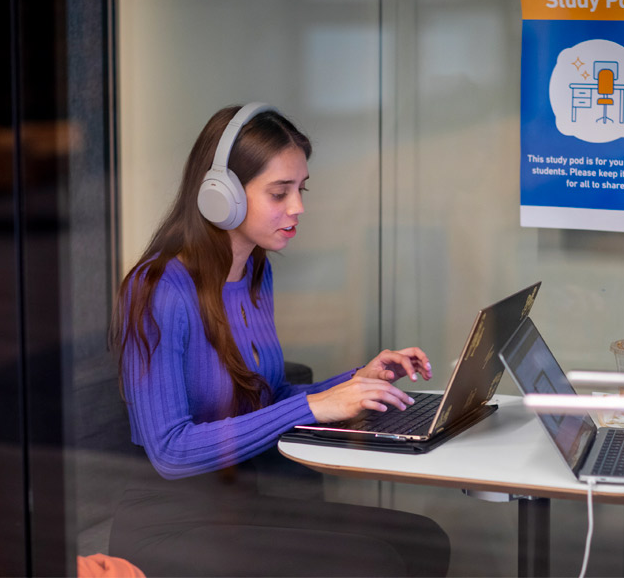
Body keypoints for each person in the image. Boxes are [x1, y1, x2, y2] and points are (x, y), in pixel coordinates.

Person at [107, 104, 450, 577]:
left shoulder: (252, 271)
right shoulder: (157, 288)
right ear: (219, 195)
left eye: (300, 189)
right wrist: (314, 407)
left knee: (423, 540)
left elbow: (265, 399)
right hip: (171, 521)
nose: (298, 207)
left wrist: (355, 385)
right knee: (375, 562)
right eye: (279, 192)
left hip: (239, 504)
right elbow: (170, 451)